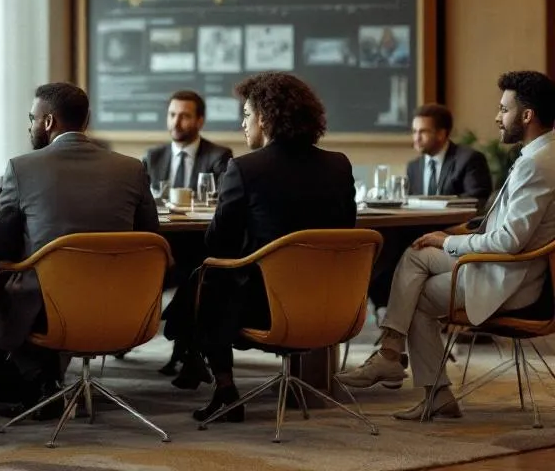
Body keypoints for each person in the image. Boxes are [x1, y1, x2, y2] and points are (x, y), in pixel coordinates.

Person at [339, 71, 555, 420]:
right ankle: (393, 356)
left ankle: (419, 380)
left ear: (527, 116)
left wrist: (449, 240)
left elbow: (508, 241)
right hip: (506, 265)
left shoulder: (536, 164)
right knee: (416, 253)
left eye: (504, 109)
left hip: (511, 279)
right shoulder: (543, 154)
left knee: (419, 294)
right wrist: (448, 240)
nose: (498, 117)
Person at [189, 72, 358, 423]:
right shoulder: (339, 166)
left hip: (266, 309)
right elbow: (346, 232)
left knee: (207, 279)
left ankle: (225, 389)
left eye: (247, 115)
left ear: (265, 119)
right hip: (333, 305)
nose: (242, 123)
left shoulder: (244, 169)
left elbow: (217, 243)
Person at [0, 82, 159, 419]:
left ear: (49, 122)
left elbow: (1, 245)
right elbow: (150, 236)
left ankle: (41, 383)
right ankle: (49, 383)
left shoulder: (21, 168)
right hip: (123, 303)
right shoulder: (131, 168)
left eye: (32, 118)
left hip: (50, 307)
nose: (29, 126)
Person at [142, 90, 234, 380]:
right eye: (172, 114)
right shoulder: (153, 156)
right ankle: (187, 347)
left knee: (197, 271)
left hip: (200, 244)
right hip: (163, 247)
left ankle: (185, 346)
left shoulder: (219, 156)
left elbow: (221, 203)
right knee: (190, 275)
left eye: (184, 115)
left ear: (200, 120)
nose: (176, 122)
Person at [369, 103, 494, 308]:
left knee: (391, 249)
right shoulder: (414, 166)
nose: (416, 137)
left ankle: (392, 310)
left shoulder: (468, 159)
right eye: (414, 131)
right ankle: (385, 307)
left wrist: (438, 208)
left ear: (442, 134)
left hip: (453, 233)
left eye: (423, 131)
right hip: (416, 231)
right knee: (379, 243)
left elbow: (477, 199)